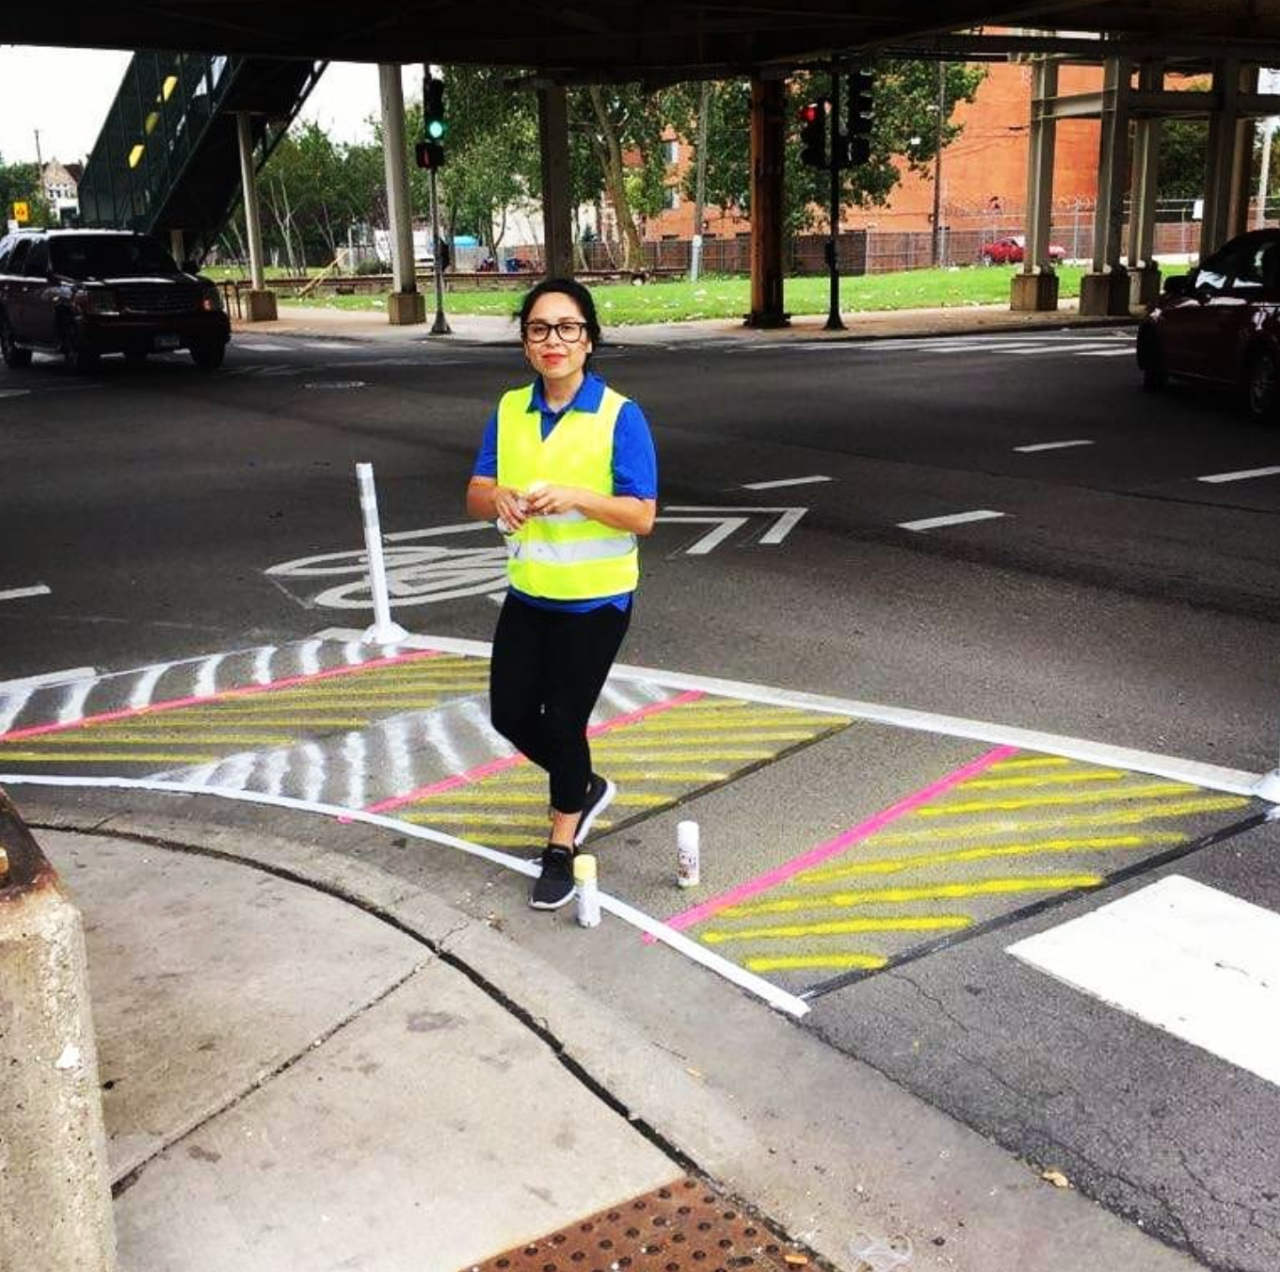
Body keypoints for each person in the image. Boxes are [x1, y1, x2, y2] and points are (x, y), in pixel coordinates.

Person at [466, 278, 658, 909]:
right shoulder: (507, 410)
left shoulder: (619, 416)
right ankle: (584, 785)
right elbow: (475, 492)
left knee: (564, 721)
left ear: (589, 339)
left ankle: (560, 841)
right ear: (526, 343)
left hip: (596, 600)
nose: (554, 341)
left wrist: (577, 497)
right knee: (510, 715)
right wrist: (498, 498)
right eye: (540, 329)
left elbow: (642, 516)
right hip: (529, 591)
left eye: (567, 328)